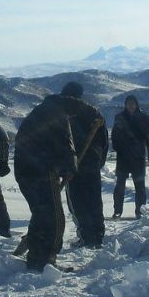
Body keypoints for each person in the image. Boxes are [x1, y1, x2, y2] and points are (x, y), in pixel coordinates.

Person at [12, 86, 78, 271]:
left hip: (23, 171)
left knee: (41, 213)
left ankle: (35, 256)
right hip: (43, 170)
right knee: (54, 217)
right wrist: (70, 168)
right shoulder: (59, 115)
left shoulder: (39, 111)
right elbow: (67, 144)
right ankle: (47, 259)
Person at [57, 82, 108, 248]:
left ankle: (86, 237)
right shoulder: (94, 112)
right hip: (92, 162)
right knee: (94, 200)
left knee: (77, 201)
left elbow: (58, 142)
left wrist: (61, 165)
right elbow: (104, 141)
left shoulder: (64, 113)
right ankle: (97, 235)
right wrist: (100, 160)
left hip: (73, 165)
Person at [111, 94, 149, 219]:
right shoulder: (119, 117)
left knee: (140, 186)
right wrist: (117, 147)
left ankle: (140, 211)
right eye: (128, 103)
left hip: (138, 156)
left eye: (133, 103)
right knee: (120, 185)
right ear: (125, 105)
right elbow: (114, 135)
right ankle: (117, 211)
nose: (130, 105)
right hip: (123, 157)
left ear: (136, 104)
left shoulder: (144, 117)